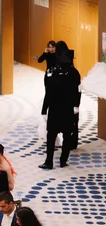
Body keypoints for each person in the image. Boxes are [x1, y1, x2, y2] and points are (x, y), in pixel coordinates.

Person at [39, 41, 81, 169]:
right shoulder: (74, 73)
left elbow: (48, 94)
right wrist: (76, 106)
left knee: (51, 136)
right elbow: (78, 91)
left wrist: (44, 110)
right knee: (67, 135)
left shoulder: (54, 75)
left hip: (55, 110)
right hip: (68, 109)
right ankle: (63, 160)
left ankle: (49, 161)